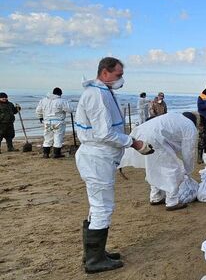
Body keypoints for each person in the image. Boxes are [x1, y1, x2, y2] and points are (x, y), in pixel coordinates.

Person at [75, 57, 153, 274]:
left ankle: (96, 252)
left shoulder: (103, 92)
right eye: (118, 74)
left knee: (97, 205)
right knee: (102, 207)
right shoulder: (97, 96)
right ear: (105, 72)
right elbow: (104, 133)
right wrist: (134, 143)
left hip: (100, 157)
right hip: (97, 158)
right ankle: (94, 260)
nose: (121, 79)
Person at [120, 112, 198, 211]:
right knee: (173, 170)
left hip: (142, 134)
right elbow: (189, 151)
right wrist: (188, 170)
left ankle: (155, 197)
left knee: (154, 167)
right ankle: (172, 202)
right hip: (156, 138)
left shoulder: (175, 117)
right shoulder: (190, 126)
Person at [35, 87, 73, 158]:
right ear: (60, 94)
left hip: (47, 122)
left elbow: (38, 110)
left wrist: (40, 117)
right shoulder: (61, 101)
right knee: (58, 137)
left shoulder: (44, 100)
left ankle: (46, 154)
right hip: (58, 122)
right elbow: (70, 110)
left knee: (47, 137)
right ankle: (56, 154)